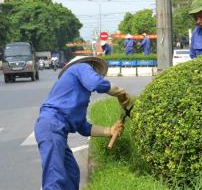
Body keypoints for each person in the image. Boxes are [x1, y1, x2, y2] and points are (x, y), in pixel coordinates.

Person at [34, 56, 130, 190]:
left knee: (71, 174)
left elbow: (82, 127)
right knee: (55, 177)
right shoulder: (81, 67)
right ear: (91, 66)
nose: (95, 74)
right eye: (94, 71)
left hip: (56, 130)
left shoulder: (79, 94)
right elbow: (96, 83)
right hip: (51, 125)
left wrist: (110, 130)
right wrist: (119, 92)